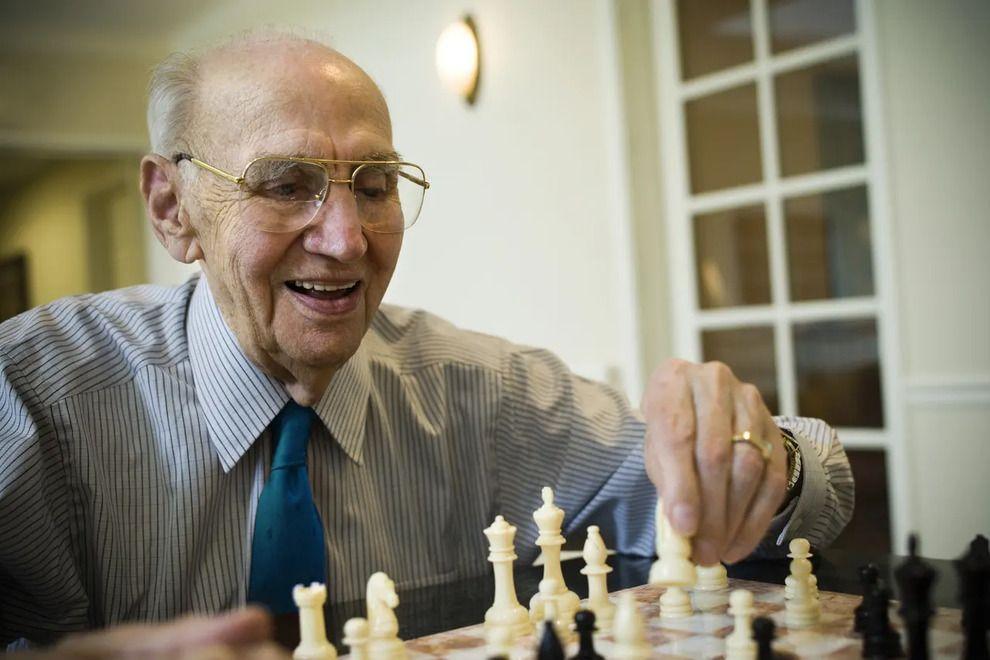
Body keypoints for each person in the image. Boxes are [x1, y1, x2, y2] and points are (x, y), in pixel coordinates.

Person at [0, 33, 853, 655]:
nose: (346, 238)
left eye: (374, 186)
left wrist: (750, 455)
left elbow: (815, 497)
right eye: (285, 185)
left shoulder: (484, 394)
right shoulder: (33, 396)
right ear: (170, 209)